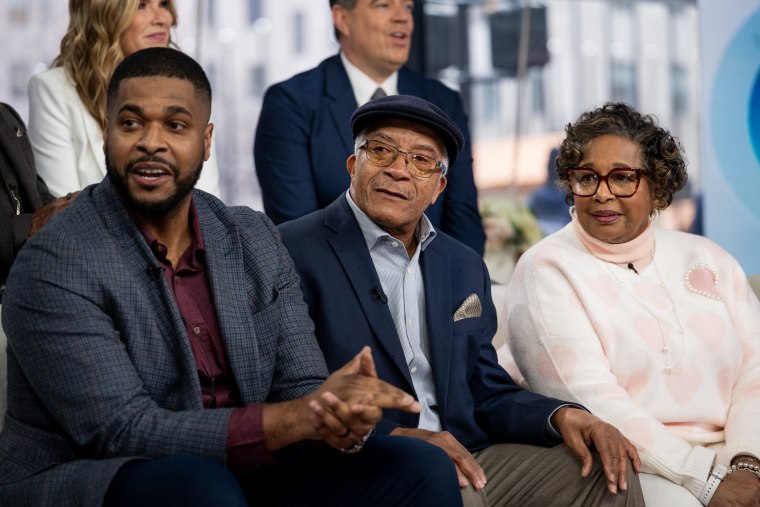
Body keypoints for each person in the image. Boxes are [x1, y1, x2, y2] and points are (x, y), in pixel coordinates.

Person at [0, 47, 463, 507]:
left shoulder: (252, 236)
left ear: (206, 141)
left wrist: (339, 419)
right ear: (107, 136)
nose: (151, 142)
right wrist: (301, 416)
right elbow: (122, 430)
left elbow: (301, 386)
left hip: (247, 468)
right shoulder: (54, 261)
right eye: (131, 123)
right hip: (93, 476)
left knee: (419, 467)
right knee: (202, 488)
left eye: (176, 125)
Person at [279, 94, 645, 507]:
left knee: (608, 470)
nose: (398, 170)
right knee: (431, 475)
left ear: (439, 187)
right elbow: (286, 396)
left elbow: (484, 388)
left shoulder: (462, 264)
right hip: (361, 466)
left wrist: (563, 415)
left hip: (469, 458)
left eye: (421, 160)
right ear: (353, 165)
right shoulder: (289, 250)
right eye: (381, 151)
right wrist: (397, 438)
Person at [500, 102, 760, 507]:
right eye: (587, 177)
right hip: (634, 464)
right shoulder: (545, 269)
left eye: (623, 178)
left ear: (658, 186)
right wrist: (707, 481)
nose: (602, 193)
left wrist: (748, 464)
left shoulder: (709, 257)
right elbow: (592, 400)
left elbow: (756, 373)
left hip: (737, 456)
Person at [255, 0, 485, 255]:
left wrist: (442, 289)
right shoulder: (291, 103)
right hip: (331, 285)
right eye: (384, 6)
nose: (403, 18)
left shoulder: (443, 101)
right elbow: (297, 231)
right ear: (342, 19)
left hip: (430, 282)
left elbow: (463, 221)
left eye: (407, 7)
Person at [27, 0, 221, 198]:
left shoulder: (189, 88)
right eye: (141, 6)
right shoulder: (52, 90)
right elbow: (65, 216)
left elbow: (205, 208)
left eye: (163, 4)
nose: (163, 19)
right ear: (103, 14)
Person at [0, 102, 77, 430]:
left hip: (31, 288)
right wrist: (28, 226)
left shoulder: (6, 117)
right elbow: (34, 219)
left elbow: (40, 198)